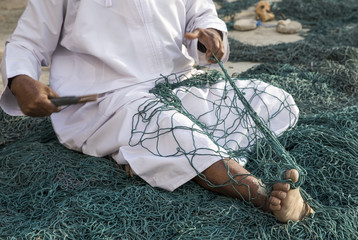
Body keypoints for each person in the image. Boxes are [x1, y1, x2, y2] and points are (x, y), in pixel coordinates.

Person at [0, 0, 312, 223]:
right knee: (175, 130)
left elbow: (200, 14)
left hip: (177, 85)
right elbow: (26, 44)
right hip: (109, 101)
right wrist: (21, 81)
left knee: (273, 100)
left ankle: (154, 158)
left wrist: (210, 38)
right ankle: (264, 195)